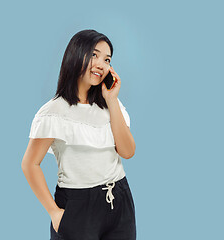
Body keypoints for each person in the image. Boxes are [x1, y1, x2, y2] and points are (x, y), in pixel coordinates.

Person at [21, 29, 137, 240]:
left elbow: (128, 152)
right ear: (76, 54)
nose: (101, 64)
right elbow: (30, 164)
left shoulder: (111, 104)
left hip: (119, 200)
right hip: (78, 203)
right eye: (94, 55)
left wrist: (111, 100)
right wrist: (54, 212)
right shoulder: (54, 112)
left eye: (107, 59)